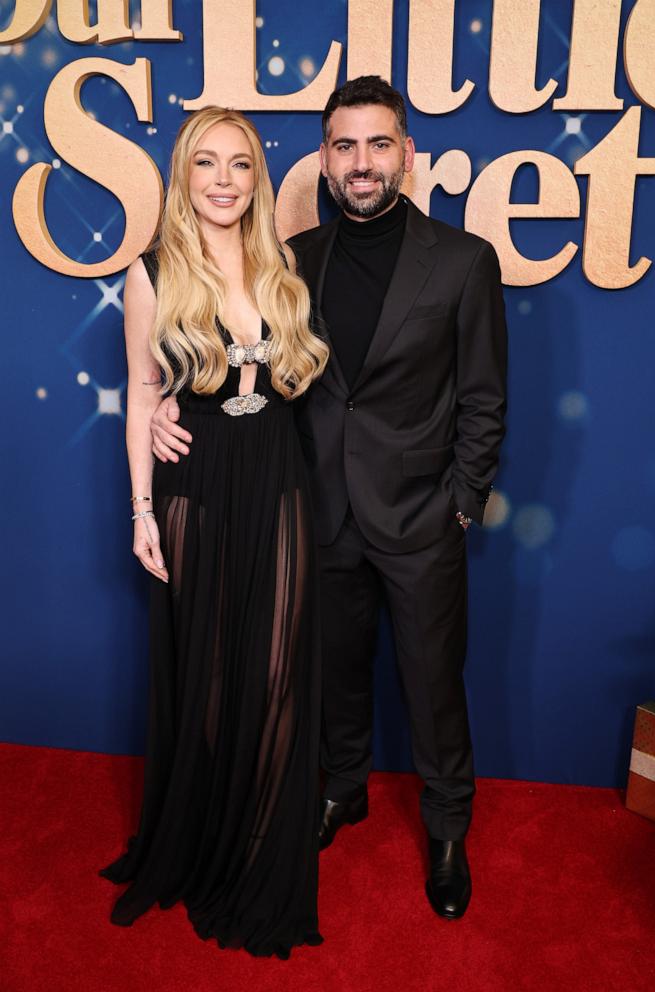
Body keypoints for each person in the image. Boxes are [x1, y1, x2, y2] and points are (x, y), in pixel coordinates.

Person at [151, 77, 508, 921]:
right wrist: (169, 396)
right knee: (332, 675)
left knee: (432, 685)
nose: (360, 162)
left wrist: (462, 502)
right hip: (313, 509)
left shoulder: (462, 261)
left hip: (421, 518)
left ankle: (447, 830)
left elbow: (484, 397)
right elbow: (233, 348)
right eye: (343, 146)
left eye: (378, 144)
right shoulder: (290, 259)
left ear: (405, 155)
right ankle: (341, 790)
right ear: (321, 157)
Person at [101, 106, 329, 959]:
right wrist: (139, 508)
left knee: (274, 678)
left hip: (276, 484)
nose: (224, 180)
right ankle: (199, 849)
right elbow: (137, 391)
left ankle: (258, 860)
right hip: (193, 489)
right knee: (209, 677)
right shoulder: (152, 272)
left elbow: (301, 385)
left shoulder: (286, 268)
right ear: (183, 175)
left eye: (240, 164)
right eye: (207, 163)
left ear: (257, 180)